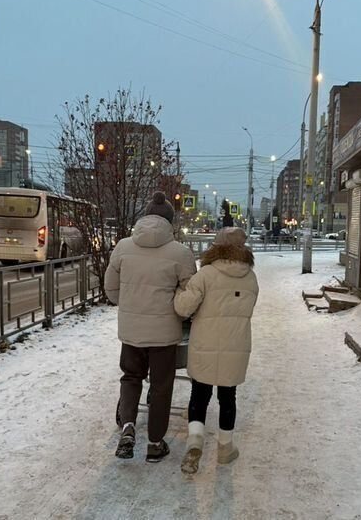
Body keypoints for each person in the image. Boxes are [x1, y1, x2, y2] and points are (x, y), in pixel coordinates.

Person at [104, 192, 197, 463]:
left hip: (131, 331)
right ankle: (156, 443)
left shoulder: (122, 247)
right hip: (164, 335)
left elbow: (111, 288)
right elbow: (188, 294)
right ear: (170, 221)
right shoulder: (180, 253)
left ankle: (129, 427)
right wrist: (176, 312)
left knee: (131, 377)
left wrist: (131, 305)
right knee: (160, 385)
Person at [174, 227, 258, 475]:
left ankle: (195, 444)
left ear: (216, 247)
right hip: (236, 345)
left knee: (199, 395)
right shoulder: (251, 278)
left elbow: (183, 308)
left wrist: (180, 292)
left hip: (205, 344)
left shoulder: (206, 275)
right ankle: (225, 448)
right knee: (228, 397)